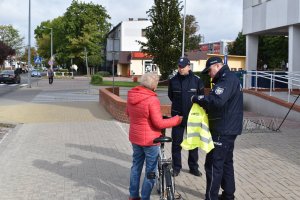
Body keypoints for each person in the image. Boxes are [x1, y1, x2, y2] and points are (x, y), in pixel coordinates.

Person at [191, 56, 243, 200]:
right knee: (226, 162)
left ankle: (211, 197)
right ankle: (228, 195)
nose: (209, 74)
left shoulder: (226, 79)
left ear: (218, 66)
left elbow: (217, 101)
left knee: (213, 165)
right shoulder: (229, 78)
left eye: (209, 70)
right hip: (229, 128)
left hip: (222, 129)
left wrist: (198, 99)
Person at [126, 72, 182, 200]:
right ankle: (145, 197)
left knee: (136, 166)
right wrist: (176, 120)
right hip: (150, 141)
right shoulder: (152, 100)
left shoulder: (131, 96)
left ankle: (133, 196)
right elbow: (159, 123)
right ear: (154, 85)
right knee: (151, 171)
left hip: (135, 138)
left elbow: (128, 113)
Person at [168, 57, 205, 177]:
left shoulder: (197, 81)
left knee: (193, 143)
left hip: (193, 117)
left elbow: (201, 98)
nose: (180, 69)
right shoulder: (173, 81)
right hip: (178, 116)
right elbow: (171, 96)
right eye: (179, 66)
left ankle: (193, 167)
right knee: (176, 144)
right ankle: (176, 167)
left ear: (189, 66)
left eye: (183, 66)